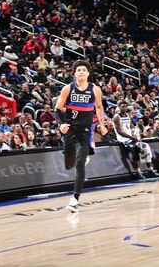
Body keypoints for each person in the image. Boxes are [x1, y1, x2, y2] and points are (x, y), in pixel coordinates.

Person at [55, 59, 108, 213]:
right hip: (70, 129)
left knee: (79, 163)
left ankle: (75, 200)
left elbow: (99, 107)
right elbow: (58, 109)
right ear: (75, 73)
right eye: (79, 70)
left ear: (88, 73)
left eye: (84, 69)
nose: (82, 72)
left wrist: (102, 124)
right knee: (69, 164)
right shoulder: (67, 89)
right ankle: (81, 157)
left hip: (85, 130)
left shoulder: (95, 89)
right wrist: (60, 124)